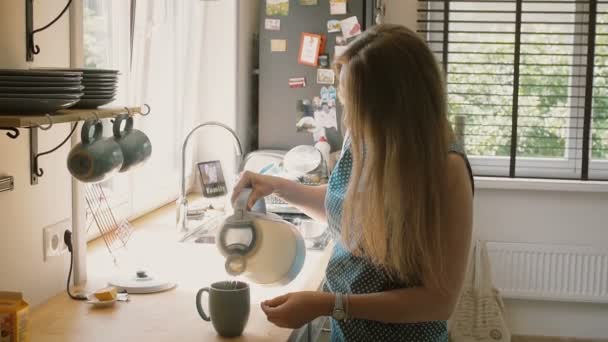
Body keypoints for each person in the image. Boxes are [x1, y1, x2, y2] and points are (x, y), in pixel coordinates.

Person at [232, 24, 474, 342]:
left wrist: (331, 304)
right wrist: (277, 186)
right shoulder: (363, 138)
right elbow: (344, 210)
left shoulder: (446, 170)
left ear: (397, 106)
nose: (349, 120)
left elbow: (438, 301)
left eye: (358, 108)